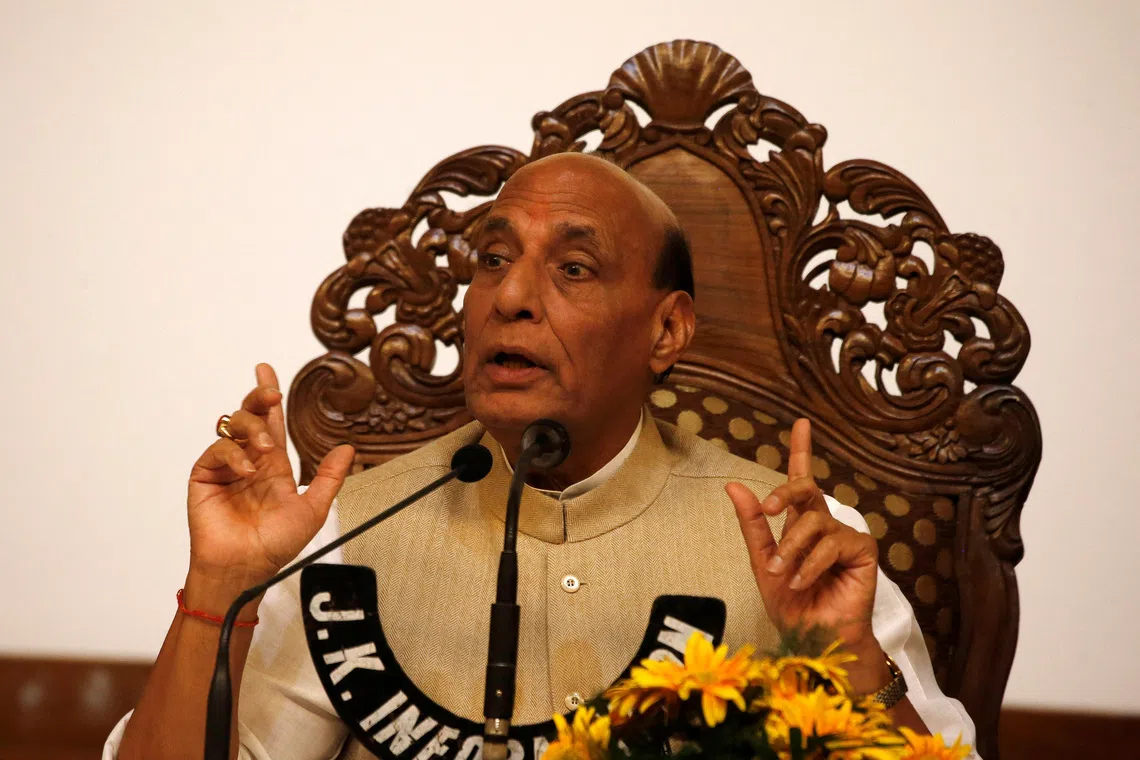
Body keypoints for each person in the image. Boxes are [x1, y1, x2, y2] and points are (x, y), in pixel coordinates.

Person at [107, 153, 976, 759]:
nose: (510, 297)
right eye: (491, 260)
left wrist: (855, 670)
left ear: (666, 329)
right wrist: (219, 592)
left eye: (574, 269)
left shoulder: (796, 547)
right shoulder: (350, 532)